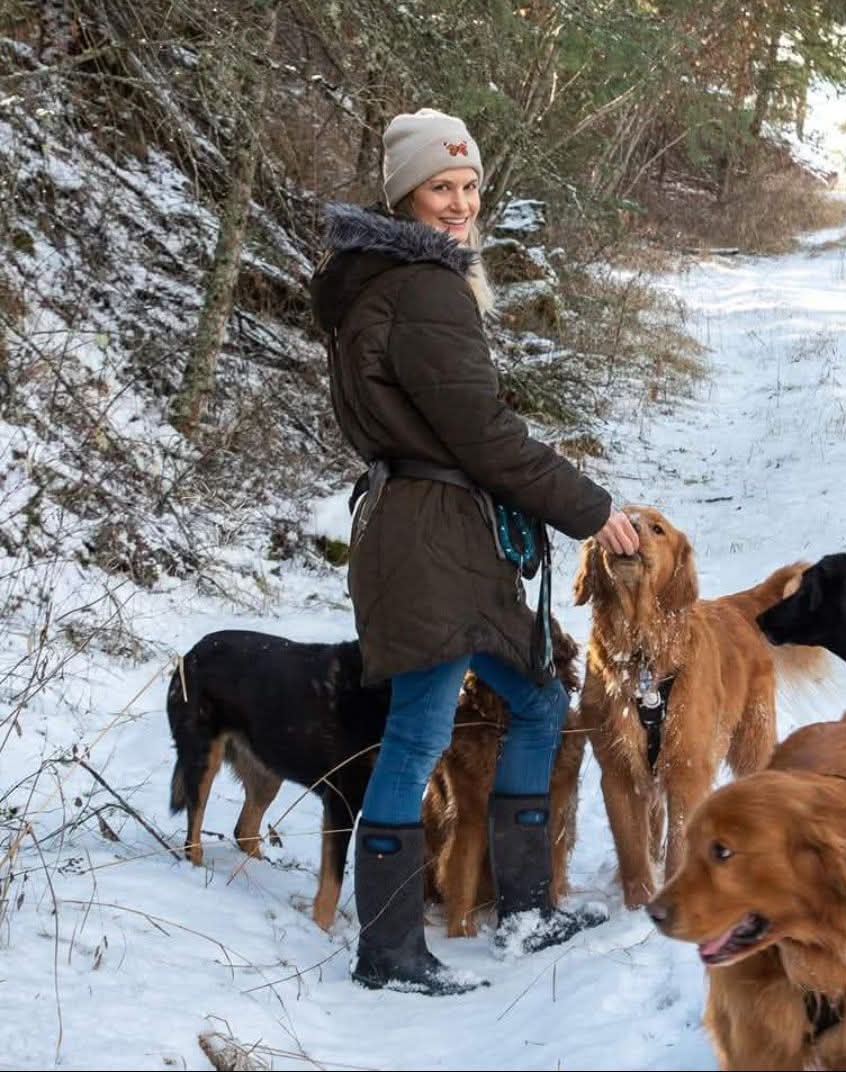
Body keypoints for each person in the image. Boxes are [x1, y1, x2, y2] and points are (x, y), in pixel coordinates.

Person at [309, 108, 639, 996]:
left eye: (468, 187)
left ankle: (524, 911)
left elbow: (463, 432)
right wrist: (591, 508)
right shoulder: (424, 287)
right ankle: (387, 952)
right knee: (418, 734)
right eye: (439, 189)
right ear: (405, 197)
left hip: (434, 532)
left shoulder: (377, 281)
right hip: (432, 537)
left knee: (534, 699)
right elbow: (483, 433)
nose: (459, 205)